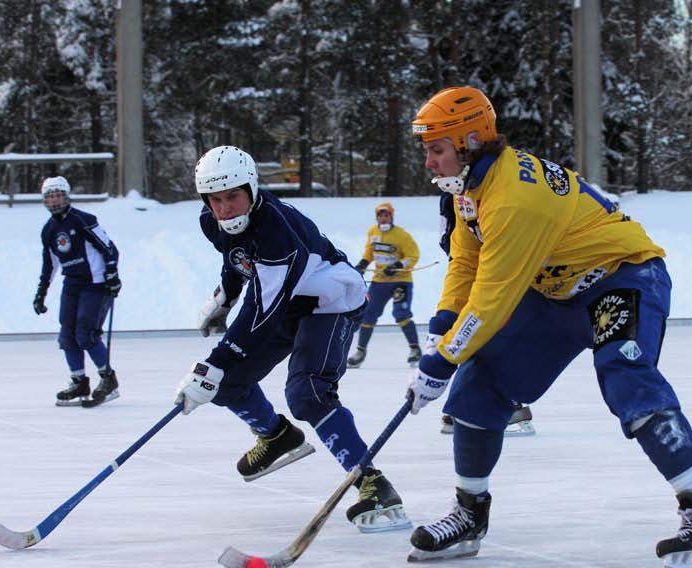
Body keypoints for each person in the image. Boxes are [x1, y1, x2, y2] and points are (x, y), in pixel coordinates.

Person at [404, 86, 692, 568]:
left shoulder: (514, 200)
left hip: (620, 275)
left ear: (469, 142)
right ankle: (469, 513)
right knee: (483, 378)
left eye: (436, 150)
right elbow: (466, 259)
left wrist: (438, 362)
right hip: (557, 291)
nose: (429, 162)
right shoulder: (472, 188)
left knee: (625, 374)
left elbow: (494, 298)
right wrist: (444, 327)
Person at [175, 145, 410, 532]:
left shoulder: (276, 233)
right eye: (214, 200)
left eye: (232, 196)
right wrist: (224, 299)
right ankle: (277, 436)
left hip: (331, 300)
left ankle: (372, 481)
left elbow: (263, 313)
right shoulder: (211, 220)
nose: (224, 209)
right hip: (286, 299)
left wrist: (213, 363)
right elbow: (236, 259)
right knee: (228, 385)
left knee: (307, 393)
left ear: (251, 189)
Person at [436, 192, 535, 436]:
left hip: (497, 269)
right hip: (476, 269)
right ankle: (468, 405)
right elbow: (446, 237)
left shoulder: (498, 188)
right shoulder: (453, 196)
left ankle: (500, 403)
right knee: (477, 333)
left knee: (492, 334)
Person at [33, 176, 121, 407]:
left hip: (96, 284)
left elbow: (109, 249)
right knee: (67, 335)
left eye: (58, 195)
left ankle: (108, 379)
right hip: (72, 284)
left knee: (86, 333)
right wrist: (41, 292)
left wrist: (112, 274)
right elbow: (50, 264)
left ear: (66, 196)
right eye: (50, 197)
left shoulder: (83, 220)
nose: (55, 200)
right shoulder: (49, 230)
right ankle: (79, 381)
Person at [347, 202, 422, 367]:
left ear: (391, 216)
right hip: (379, 281)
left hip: (400, 282)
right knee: (368, 314)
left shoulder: (402, 235)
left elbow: (413, 256)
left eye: (386, 215)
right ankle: (360, 351)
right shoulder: (373, 232)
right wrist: (362, 264)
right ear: (377, 218)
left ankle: (415, 349)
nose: (383, 218)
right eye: (380, 216)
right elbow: (369, 252)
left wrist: (397, 266)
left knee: (401, 313)